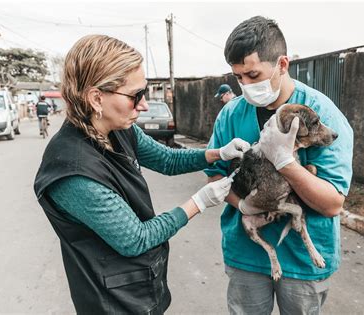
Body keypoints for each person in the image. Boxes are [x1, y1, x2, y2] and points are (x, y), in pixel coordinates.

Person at [33, 34, 250, 314]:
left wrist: (218, 153)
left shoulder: (119, 128)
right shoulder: (72, 172)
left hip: (141, 284)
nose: (144, 105)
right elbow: (136, 238)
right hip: (111, 301)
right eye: (135, 96)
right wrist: (199, 201)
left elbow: (167, 159)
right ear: (96, 97)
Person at [204, 16, 353, 314]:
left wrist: (285, 162)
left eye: (253, 74)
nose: (245, 85)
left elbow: (332, 204)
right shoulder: (231, 115)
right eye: (238, 77)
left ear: (282, 64)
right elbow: (214, 177)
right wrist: (243, 206)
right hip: (247, 254)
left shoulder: (323, 116)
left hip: (302, 261)